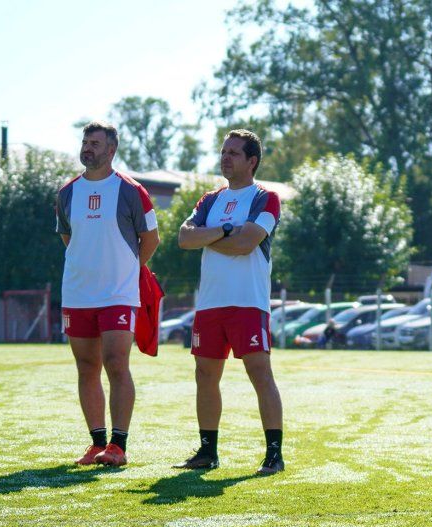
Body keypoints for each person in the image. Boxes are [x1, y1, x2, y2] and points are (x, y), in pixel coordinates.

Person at [174, 129, 285, 475]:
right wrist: (224, 232)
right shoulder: (209, 200)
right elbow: (183, 238)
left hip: (248, 302)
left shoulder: (266, 198)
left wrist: (209, 237)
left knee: (259, 373)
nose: (225, 158)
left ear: (252, 161)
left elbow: (246, 244)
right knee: (205, 374)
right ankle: (207, 453)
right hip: (210, 304)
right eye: (223, 151)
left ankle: (274, 455)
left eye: (234, 153)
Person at [55, 121, 160, 467]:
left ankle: (119, 445)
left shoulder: (131, 190)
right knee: (87, 367)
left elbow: (151, 240)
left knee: (116, 364)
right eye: (85, 142)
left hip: (118, 294)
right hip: (78, 294)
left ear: (111, 150)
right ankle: (96, 442)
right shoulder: (67, 193)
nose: (88, 148)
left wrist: (127, 272)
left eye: (95, 143)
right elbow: (68, 238)